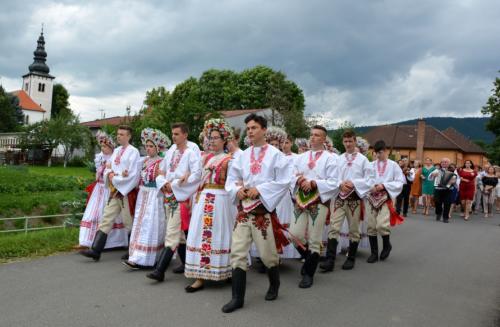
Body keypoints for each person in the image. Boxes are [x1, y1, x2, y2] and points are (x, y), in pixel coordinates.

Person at [221, 114, 293, 313]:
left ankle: (274, 283)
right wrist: (239, 190)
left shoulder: (275, 155)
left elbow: (285, 180)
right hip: (244, 212)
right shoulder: (242, 156)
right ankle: (237, 298)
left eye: (254, 127)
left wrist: (260, 189)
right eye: (248, 128)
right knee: (237, 253)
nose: (250, 131)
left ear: (263, 130)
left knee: (268, 255)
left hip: (262, 213)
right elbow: (232, 179)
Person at [183, 119, 235, 292]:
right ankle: (200, 276)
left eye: (215, 138)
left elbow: (234, 184)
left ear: (224, 140)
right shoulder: (206, 159)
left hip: (221, 200)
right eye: (210, 138)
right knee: (200, 235)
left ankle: (225, 271)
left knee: (220, 235)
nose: (211, 141)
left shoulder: (229, 160)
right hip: (204, 198)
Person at [146, 123, 202, 282]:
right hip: (169, 195)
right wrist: (163, 183)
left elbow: (196, 175)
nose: (174, 137)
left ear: (185, 135)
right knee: (181, 236)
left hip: (180, 198)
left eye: (177, 134)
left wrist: (175, 184)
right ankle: (187, 265)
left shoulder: (191, 153)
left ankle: (160, 271)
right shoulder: (171, 150)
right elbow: (161, 170)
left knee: (171, 234)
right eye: (173, 134)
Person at [80, 125, 140, 261]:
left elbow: (133, 175)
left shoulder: (133, 152)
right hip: (115, 191)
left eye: (122, 134)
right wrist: (112, 175)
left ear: (129, 136)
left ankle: (133, 252)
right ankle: (95, 250)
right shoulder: (117, 151)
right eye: (118, 134)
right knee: (106, 218)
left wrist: (115, 177)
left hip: (126, 192)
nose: (119, 136)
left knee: (128, 221)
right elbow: (107, 168)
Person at [290, 125, 338, 288]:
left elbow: (334, 182)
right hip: (300, 200)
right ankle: (311, 259)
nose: (313, 138)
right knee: (294, 235)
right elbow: (291, 174)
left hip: (318, 201)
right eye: (311, 135)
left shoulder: (331, 158)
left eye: (317, 135)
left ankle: (308, 274)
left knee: (314, 238)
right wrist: (299, 180)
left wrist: (313, 182)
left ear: (324, 139)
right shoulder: (301, 157)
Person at [320, 130, 374, 272]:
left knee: (354, 229)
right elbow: (332, 175)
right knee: (334, 227)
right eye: (346, 141)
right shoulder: (339, 159)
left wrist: (354, 183)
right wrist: (339, 183)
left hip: (354, 199)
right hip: (339, 198)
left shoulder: (363, 160)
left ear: (355, 141)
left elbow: (370, 180)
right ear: (343, 142)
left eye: (350, 141)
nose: (348, 144)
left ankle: (351, 258)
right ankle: (330, 260)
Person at [122, 128, 170, 269]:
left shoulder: (162, 162)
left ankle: (150, 258)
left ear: (158, 147)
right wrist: (125, 173)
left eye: (151, 146)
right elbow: (135, 175)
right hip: (143, 195)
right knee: (140, 224)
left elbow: (164, 179)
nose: (148, 149)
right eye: (146, 146)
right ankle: (137, 256)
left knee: (152, 225)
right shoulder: (143, 161)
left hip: (155, 197)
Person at [78, 131, 128, 250]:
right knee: (92, 214)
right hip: (98, 189)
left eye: (105, 146)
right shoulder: (99, 157)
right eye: (101, 146)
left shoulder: (114, 158)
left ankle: (113, 242)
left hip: (109, 189)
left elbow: (117, 172)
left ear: (111, 147)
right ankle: (86, 241)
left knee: (108, 216)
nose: (103, 148)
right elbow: (97, 173)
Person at [365, 140, 405, 263]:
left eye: (380, 152)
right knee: (371, 225)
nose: (378, 155)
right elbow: (365, 179)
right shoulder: (371, 165)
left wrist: (384, 185)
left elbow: (399, 182)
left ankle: (387, 245)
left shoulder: (393, 165)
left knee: (382, 224)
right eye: (376, 153)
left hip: (386, 198)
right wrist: (371, 185)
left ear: (386, 151)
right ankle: (374, 253)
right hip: (371, 197)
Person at [429, 158, 457, 223]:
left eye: (446, 162)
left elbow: (456, 179)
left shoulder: (453, 170)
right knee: (438, 203)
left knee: (447, 203)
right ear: (441, 163)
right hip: (438, 189)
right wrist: (433, 175)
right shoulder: (437, 170)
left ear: (449, 163)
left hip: (448, 189)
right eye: (443, 162)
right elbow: (430, 178)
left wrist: (454, 181)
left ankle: (445, 217)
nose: (444, 163)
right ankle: (438, 213)